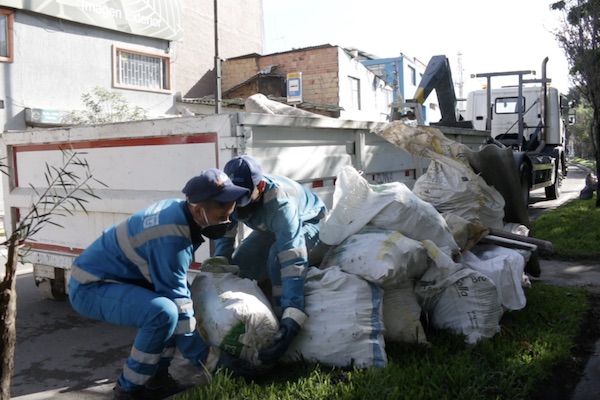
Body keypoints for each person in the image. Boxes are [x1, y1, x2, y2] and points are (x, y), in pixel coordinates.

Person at [68, 168, 256, 400]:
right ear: (199, 210)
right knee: (163, 313)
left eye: (229, 215)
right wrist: (210, 361)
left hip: (114, 278)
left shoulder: (182, 213)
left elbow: (173, 287)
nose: (226, 222)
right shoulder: (172, 235)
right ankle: (128, 390)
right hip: (90, 286)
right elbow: (178, 303)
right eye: (221, 217)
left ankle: (156, 381)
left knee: (170, 308)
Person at [213, 155, 327, 365]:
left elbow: (293, 260)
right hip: (271, 228)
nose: (238, 207)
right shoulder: (231, 197)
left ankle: (279, 325)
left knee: (277, 259)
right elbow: (226, 232)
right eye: (233, 198)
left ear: (262, 185)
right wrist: (222, 261)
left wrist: (293, 314)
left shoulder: (280, 205)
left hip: (309, 223)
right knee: (241, 267)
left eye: (244, 199)